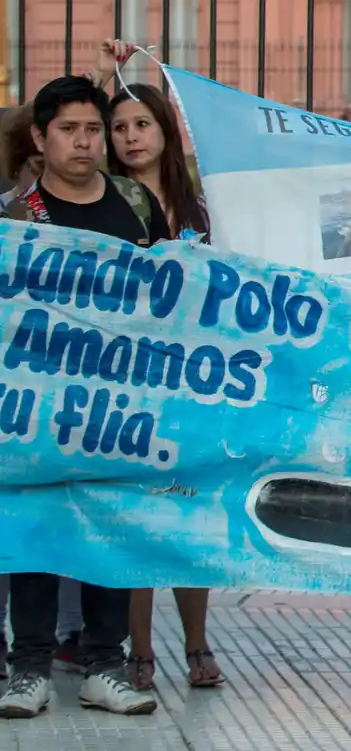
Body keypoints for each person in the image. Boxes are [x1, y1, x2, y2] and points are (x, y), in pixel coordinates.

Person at [0, 75, 171, 718]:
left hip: (122, 407)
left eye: (93, 129)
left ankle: (106, 663)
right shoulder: (15, 214)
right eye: (68, 130)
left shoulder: (134, 200)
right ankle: (29, 669)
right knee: (38, 532)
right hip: (36, 409)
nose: (84, 141)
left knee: (111, 530)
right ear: (40, 139)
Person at [103, 78, 222, 692]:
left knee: (189, 515)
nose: (130, 137)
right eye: (118, 127)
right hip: (125, 379)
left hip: (194, 379)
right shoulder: (104, 199)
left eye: (140, 124)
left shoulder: (199, 203)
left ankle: (198, 642)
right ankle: (140, 652)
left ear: (165, 130)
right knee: (135, 517)